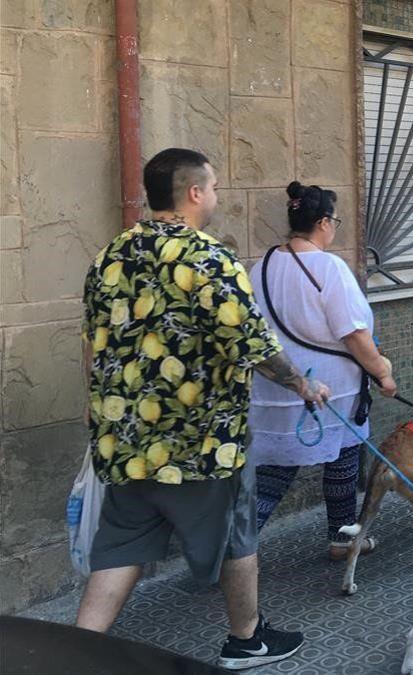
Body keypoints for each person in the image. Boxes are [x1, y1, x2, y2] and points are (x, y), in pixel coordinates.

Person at [77, 148, 331, 671]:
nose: (215, 197)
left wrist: (102, 412)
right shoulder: (208, 257)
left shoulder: (110, 255)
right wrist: (303, 385)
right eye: (213, 188)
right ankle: (246, 641)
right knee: (237, 537)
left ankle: (75, 653)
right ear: (194, 193)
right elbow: (250, 341)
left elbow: (94, 346)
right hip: (201, 445)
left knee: (122, 545)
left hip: (124, 440)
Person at [248, 181, 397, 560]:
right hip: (333, 390)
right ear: (324, 222)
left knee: (274, 473)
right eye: (336, 221)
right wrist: (382, 371)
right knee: (343, 461)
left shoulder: (259, 268)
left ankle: (236, 547)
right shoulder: (329, 267)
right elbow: (355, 334)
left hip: (276, 388)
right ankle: (342, 538)